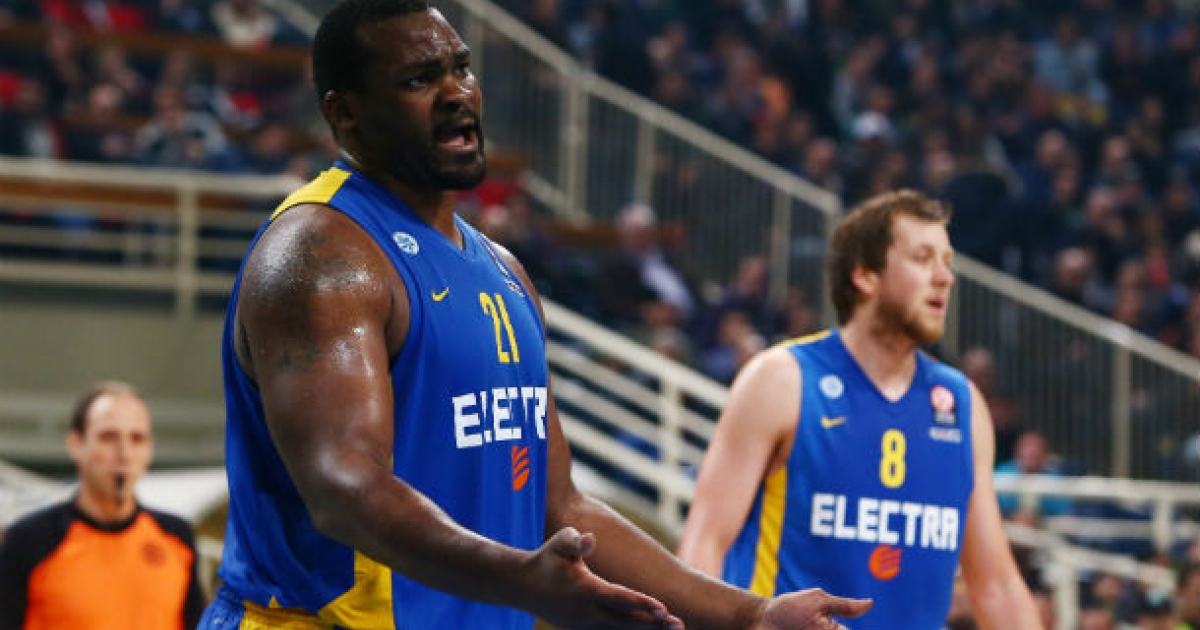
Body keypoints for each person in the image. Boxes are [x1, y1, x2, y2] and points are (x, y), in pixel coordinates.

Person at [197, 2, 872, 629]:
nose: (457, 92)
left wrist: (751, 615)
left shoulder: (505, 273)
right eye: (419, 79)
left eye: (461, 68)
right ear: (345, 115)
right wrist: (520, 578)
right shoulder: (320, 254)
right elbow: (344, 488)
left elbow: (561, 505)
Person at [678, 190, 1044, 630]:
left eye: (947, 262)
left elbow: (997, 586)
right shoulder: (782, 379)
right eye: (923, 258)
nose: (944, 277)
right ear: (866, 275)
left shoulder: (961, 404)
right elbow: (703, 548)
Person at [0, 381, 205, 630]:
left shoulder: (176, 537)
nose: (125, 454)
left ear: (149, 450)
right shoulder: (29, 539)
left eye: (137, 439)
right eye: (108, 437)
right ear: (76, 445)